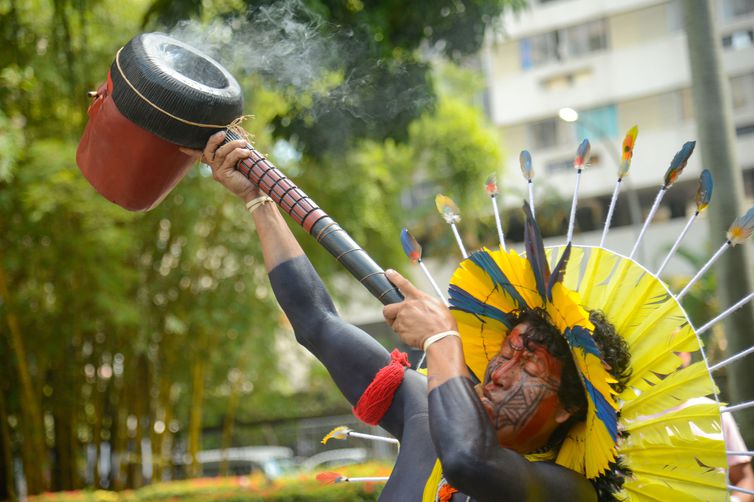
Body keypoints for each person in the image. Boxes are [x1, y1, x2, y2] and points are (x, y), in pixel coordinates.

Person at [182, 131, 633, 501]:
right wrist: (261, 202)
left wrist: (441, 339)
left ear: (571, 408)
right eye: (508, 350)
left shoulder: (566, 493)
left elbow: (469, 461)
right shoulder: (425, 411)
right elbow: (316, 322)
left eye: (529, 366)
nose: (499, 372)